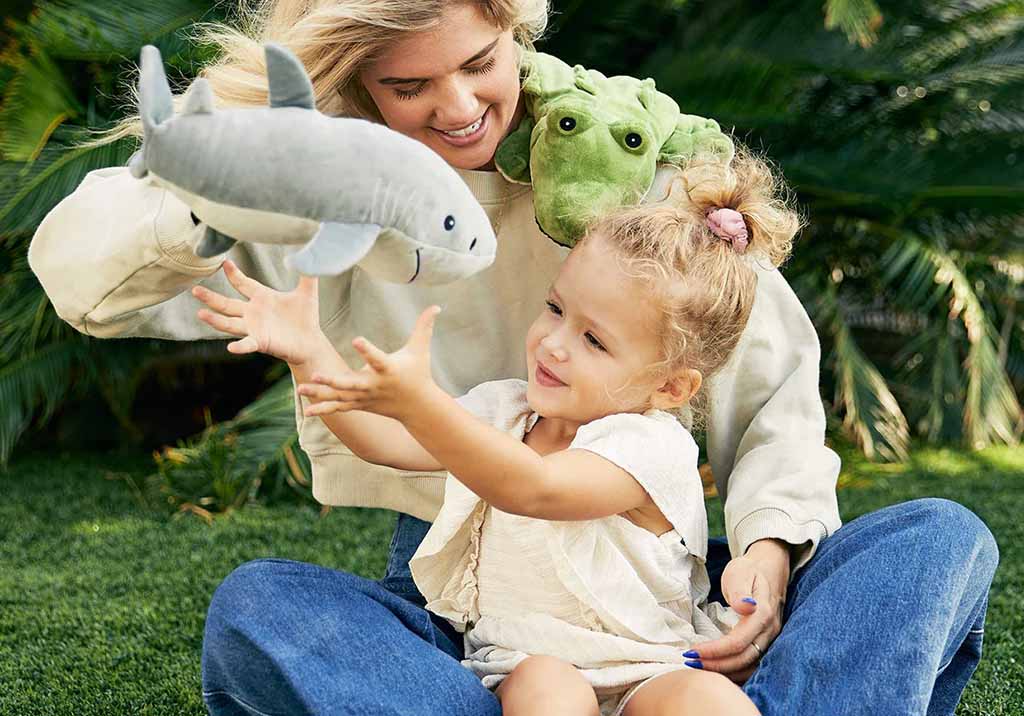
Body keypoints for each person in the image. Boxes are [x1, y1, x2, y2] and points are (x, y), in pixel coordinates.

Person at [27, 1, 998, 714]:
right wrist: (227, 189)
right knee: (258, 608)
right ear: (354, 83)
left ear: (514, 29)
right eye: (408, 86)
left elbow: (770, 383)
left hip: (666, 591)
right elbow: (81, 282)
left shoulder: (619, 153)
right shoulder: (305, 177)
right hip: (472, 601)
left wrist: (767, 551)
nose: (457, 107)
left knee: (939, 537)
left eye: (480, 62)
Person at [196, 153, 787, 715]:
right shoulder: (504, 409)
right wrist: (310, 354)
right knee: (550, 687)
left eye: (594, 341)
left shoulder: (648, 445)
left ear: (671, 389)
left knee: (703, 702)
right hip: (521, 665)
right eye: (556, 309)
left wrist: (421, 404)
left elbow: (535, 488)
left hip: (651, 666)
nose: (554, 343)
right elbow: (381, 441)